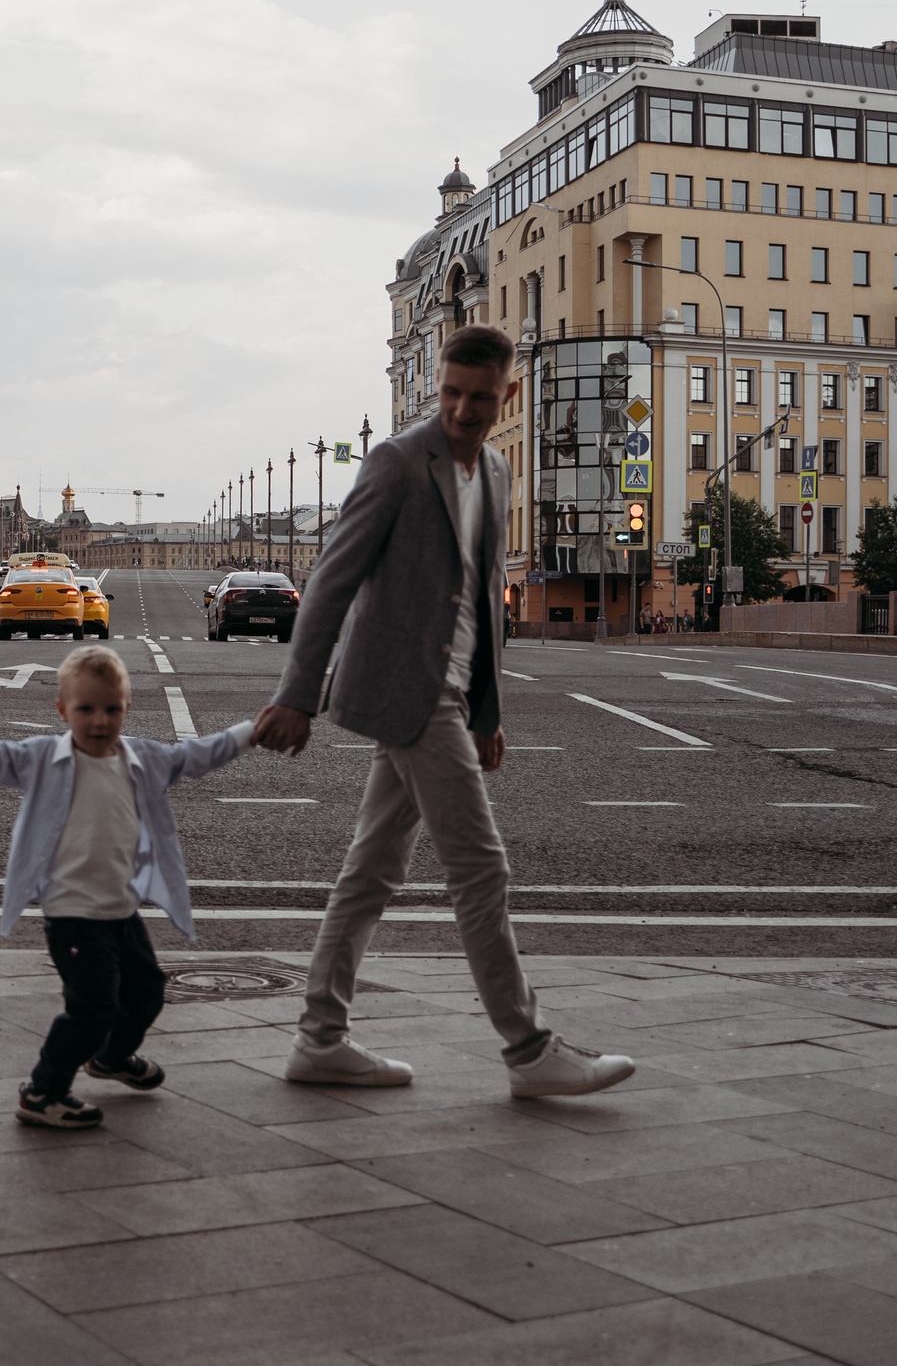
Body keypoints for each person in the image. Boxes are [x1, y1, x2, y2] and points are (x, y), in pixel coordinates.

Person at [258, 324, 633, 1100]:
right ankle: (527, 1047)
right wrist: (296, 694)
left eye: (481, 398)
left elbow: (483, 601)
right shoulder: (398, 461)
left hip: (449, 692)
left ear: (510, 396)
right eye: (453, 393)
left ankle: (318, 1038)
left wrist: (486, 712)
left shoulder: (496, 472)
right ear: (438, 384)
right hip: (407, 689)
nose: (463, 409)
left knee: (371, 869)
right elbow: (331, 578)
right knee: (481, 867)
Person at [0, 645, 251, 1128]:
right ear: (62, 710)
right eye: (86, 709)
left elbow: (198, 755)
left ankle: (110, 1059)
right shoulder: (42, 758)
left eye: (112, 709)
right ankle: (43, 1091)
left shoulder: (143, 759)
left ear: (127, 710)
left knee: (148, 993)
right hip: (71, 915)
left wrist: (253, 731)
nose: (99, 721)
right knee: (92, 1007)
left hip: (121, 910)